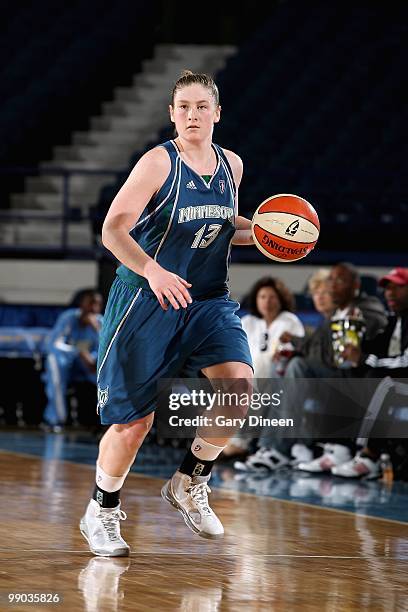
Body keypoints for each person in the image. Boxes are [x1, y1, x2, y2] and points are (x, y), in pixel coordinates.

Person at [79, 71, 255, 557]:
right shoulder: (158, 162)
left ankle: (189, 481)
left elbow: (222, 226)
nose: (192, 115)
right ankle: (102, 509)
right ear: (172, 113)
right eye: (183, 106)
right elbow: (113, 230)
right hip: (146, 298)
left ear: (217, 113)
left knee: (239, 388)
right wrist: (153, 270)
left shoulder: (231, 166)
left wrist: (263, 233)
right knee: (134, 424)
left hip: (207, 299)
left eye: (202, 106)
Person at [331, 267, 408, 479]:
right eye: (387, 288)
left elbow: (405, 362)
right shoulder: (395, 320)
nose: (389, 293)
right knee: (348, 373)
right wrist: (356, 333)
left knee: (385, 382)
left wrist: (364, 359)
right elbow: (375, 349)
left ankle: (368, 454)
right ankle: (337, 448)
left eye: (398, 288)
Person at [222, 276, 304, 459]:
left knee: (254, 376)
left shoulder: (289, 320)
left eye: (272, 297)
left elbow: (290, 352)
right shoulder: (248, 321)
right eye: (263, 297)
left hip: (277, 374)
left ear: (281, 299)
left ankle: (240, 441)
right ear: (256, 300)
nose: (267, 302)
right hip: (247, 371)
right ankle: (226, 438)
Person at [42, 289, 103, 432]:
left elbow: (107, 349)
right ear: (81, 304)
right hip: (66, 363)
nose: (94, 308)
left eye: (98, 304)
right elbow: (53, 344)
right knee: (54, 362)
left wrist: (97, 330)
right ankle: (56, 420)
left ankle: (105, 420)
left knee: (108, 368)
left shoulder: (101, 321)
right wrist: (78, 350)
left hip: (90, 365)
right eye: (91, 303)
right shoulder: (68, 318)